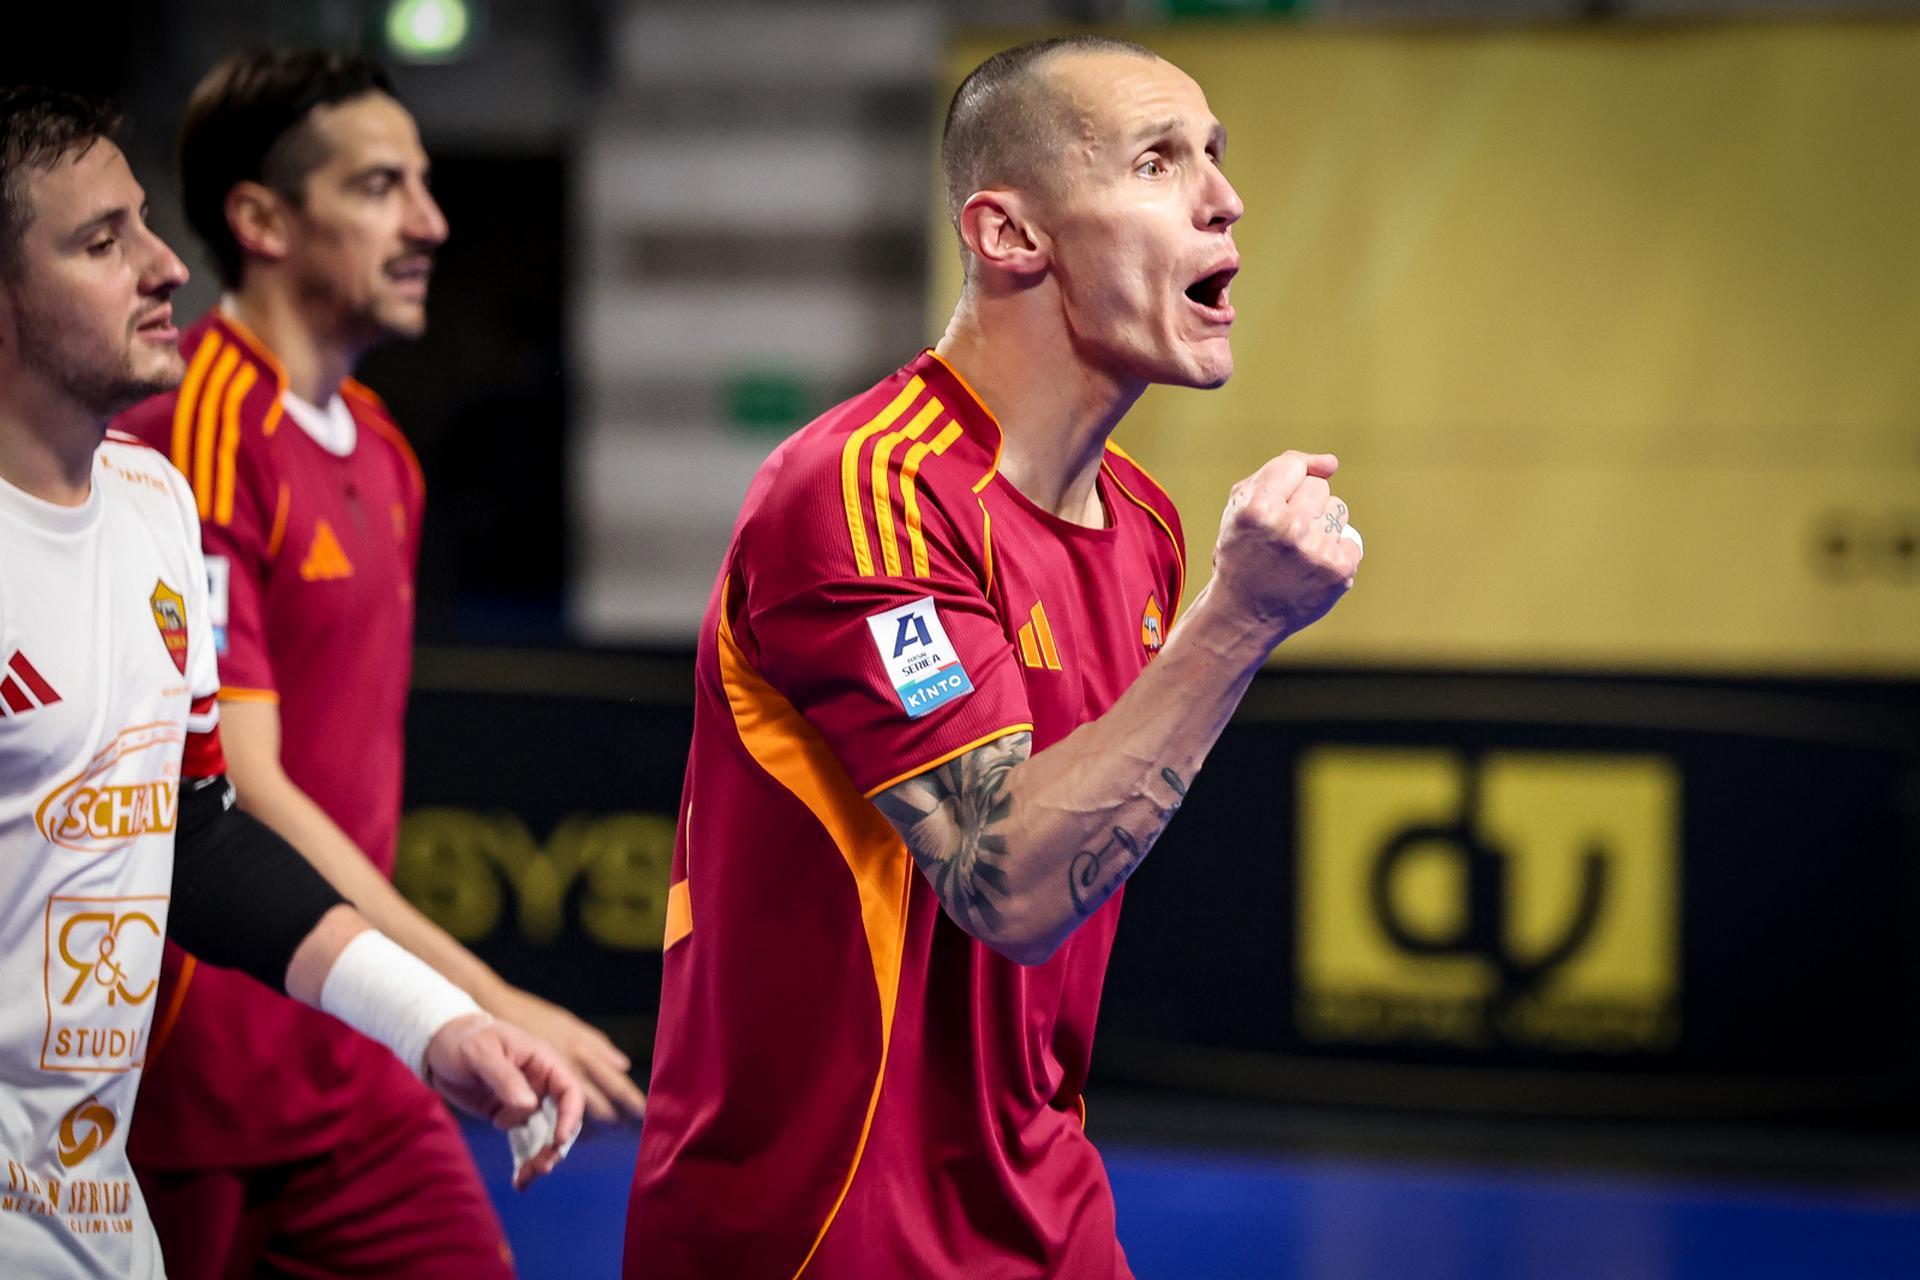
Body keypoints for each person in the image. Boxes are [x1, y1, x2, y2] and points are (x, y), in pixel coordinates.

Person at [623, 34, 1363, 1280]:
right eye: (1158, 161)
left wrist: (1227, 616)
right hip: (831, 1226)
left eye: (1216, 155)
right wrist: (1239, 622)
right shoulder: (863, 491)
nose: (1226, 198)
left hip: (1046, 1204)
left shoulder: (1146, 527)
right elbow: (1004, 882)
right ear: (1009, 233)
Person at [0, 85, 583, 1280]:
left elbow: (201, 832)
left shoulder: (152, 503)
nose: (166, 264)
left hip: (95, 1213)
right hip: (189, 1111)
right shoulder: (211, 442)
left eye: (143, 222)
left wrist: (437, 1018)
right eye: (101, 242)